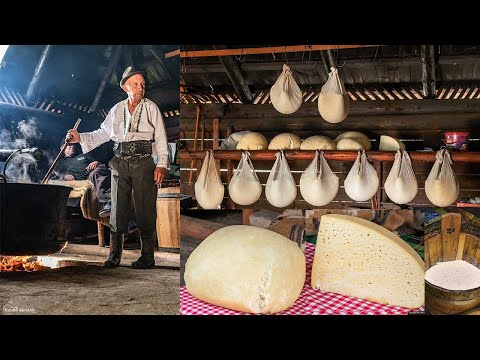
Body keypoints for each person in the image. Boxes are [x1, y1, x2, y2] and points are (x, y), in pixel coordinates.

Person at [65, 66, 169, 269]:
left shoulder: (151, 108)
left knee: (145, 208)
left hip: (144, 162)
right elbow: (102, 134)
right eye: (136, 84)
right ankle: (114, 256)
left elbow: (161, 138)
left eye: (143, 84)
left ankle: (147, 257)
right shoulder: (116, 110)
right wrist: (80, 138)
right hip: (120, 162)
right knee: (117, 208)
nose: (141, 87)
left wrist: (162, 165)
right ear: (125, 87)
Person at [56, 142, 112, 217]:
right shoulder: (61, 163)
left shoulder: (84, 154)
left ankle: (108, 203)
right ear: (62, 147)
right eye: (69, 145)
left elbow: (100, 163)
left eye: (73, 145)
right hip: (86, 179)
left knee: (94, 174)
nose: (72, 146)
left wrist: (97, 162)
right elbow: (56, 176)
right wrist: (64, 177)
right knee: (93, 177)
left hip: (97, 172)